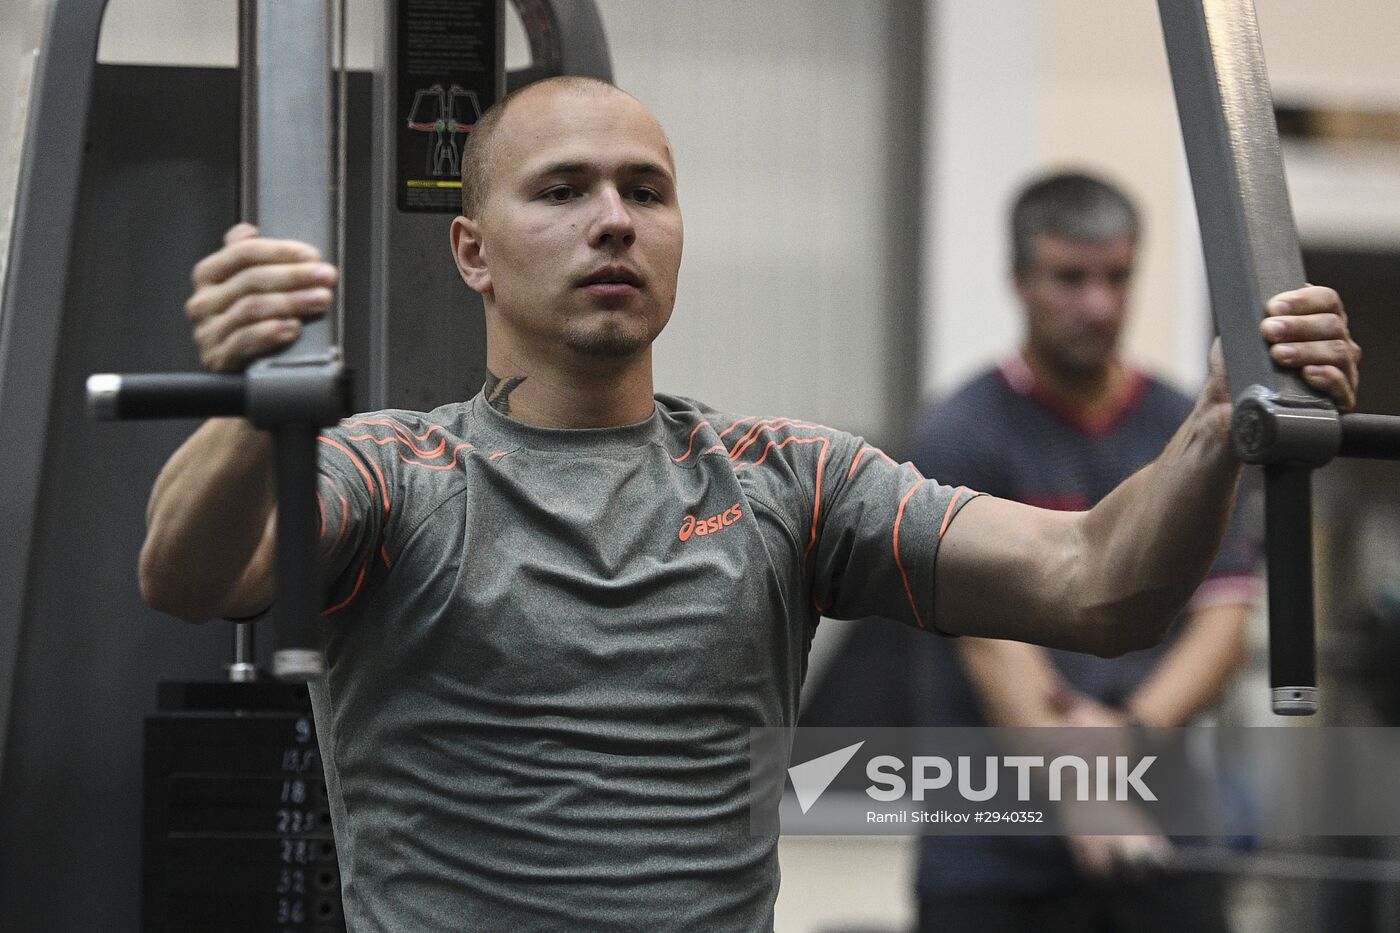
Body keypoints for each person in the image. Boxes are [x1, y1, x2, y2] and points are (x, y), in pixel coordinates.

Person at [139, 77, 1360, 932]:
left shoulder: (786, 477)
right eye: (561, 190)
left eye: (645, 191)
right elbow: (193, 576)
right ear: (472, 251)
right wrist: (251, 402)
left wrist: (1219, 423)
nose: (612, 220)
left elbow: (1094, 584)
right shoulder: (396, 471)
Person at [908, 172, 1261, 933]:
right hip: (995, 856)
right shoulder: (960, 433)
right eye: (1070, 278)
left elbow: (1225, 613)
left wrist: (1131, 730)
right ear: (1019, 279)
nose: (1098, 304)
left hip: (1163, 833)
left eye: (1117, 277)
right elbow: (987, 636)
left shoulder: (1189, 427)